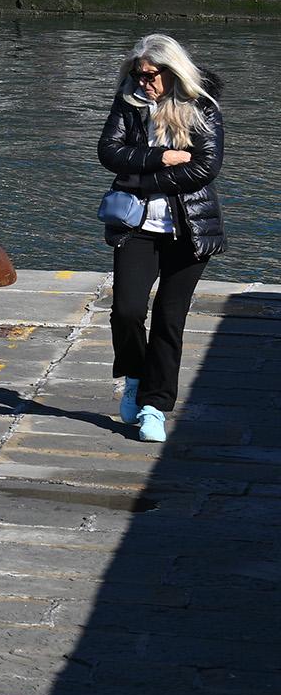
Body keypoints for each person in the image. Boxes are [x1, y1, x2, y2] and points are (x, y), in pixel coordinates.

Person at [98, 34, 226, 444]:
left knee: (170, 321)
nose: (143, 83)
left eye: (150, 75)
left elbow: (205, 168)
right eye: (137, 75)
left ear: (171, 72)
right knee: (128, 311)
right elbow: (108, 153)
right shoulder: (129, 102)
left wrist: (137, 178)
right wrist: (161, 157)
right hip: (137, 228)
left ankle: (155, 407)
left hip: (189, 231)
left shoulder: (202, 105)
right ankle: (134, 378)